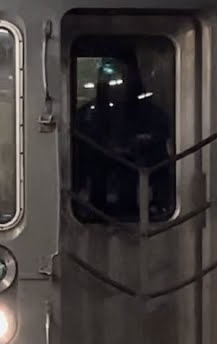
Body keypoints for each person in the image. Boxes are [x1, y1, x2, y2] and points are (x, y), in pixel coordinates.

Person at [71, 50, 174, 222]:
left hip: (143, 209)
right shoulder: (85, 116)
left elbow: (163, 164)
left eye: (123, 73)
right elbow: (77, 160)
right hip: (92, 210)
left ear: (135, 77)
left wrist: (138, 147)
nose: (115, 81)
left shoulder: (154, 117)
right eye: (107, 74)